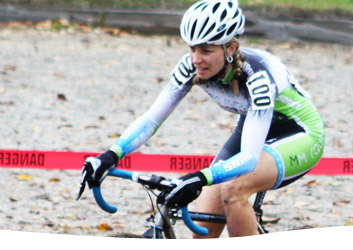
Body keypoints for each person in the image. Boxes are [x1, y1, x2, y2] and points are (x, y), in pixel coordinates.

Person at [79, 0, 325, 238]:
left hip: (299, 134)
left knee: (233, 190)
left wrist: (199, 177)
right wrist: (111, 154)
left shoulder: (258, 77)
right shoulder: (192, 67)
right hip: (250, 127)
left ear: (230, 49)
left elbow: (249, 160)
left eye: (206, 50)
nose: (197, 58)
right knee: (203, 226)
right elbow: (152, 119)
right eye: (192, 48)